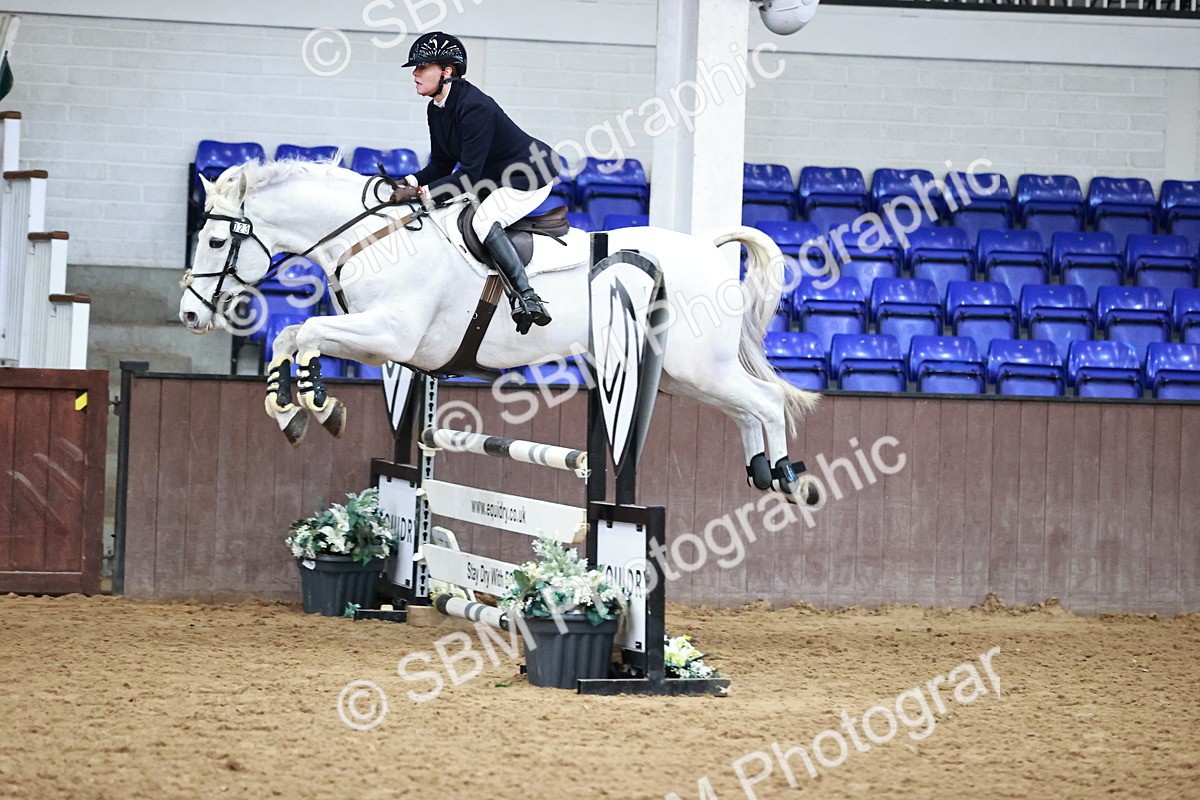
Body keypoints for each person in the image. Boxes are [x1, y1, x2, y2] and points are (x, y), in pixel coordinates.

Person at [391, 32, 560, 334]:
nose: (415, 74)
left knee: (484, 222)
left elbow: (467, 176)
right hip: (491, 176)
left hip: (529, 174)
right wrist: (408, 180)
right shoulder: (436, 108)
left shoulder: (474, 107)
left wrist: (420, 193)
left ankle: (528, 298)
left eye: (423, 67)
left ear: (447, 72)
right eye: (415, 68)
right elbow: (442, 164)